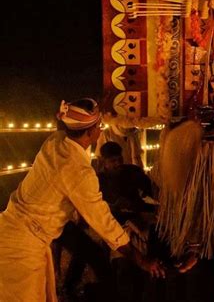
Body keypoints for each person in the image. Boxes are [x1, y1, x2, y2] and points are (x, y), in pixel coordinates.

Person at [0, 98, 164, 302]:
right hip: (22, 247)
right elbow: (104, 223)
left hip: (11, 230)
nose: (101, 129)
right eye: (98, 126)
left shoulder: (55, 141)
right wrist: (141, 260)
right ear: (90, 132)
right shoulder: (78, 170)